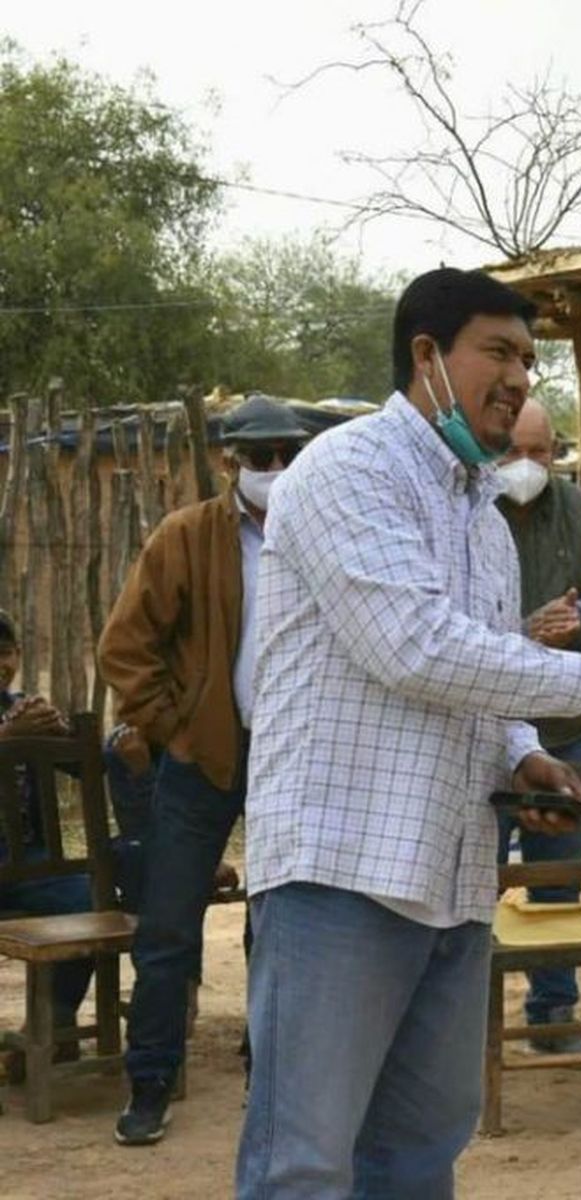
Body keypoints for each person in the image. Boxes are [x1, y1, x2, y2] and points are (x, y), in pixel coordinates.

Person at [234, 268, 581, 1198]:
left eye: (527, 360)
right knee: (303, 1164)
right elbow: (416, 649)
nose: (518, 380)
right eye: (496, 353)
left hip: (453, 876)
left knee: (419, 1161)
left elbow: (480, 678)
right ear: (427, 355)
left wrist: (527, 755)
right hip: (341, 871)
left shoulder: (483, 521)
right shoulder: (348, 471)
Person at [99, 395, 309, 1146]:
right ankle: (151, 1081)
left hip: (292, 757)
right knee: (167, 928)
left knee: (280, 926)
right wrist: (174, 730)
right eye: (261, 458)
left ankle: (268, 1075)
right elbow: (125, 647)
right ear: (230, 462)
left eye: (288, 455)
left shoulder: (320, 537)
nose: (276, 470)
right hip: (203, 758)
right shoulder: (186, 537)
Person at [495, 397, 581, 1053]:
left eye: (539, 452)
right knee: (469, 883)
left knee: (562, 878)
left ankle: (554, 1013)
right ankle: (463, 1021)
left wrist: (579, 621)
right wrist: (516, 631)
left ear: (556, 452)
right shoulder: (466, 510)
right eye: (512, 452)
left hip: (563, 726)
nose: (525, 465)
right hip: (482, 728)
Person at [0, 608, 93, 1066]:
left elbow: (85, 772)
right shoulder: (11, 720)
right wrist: (7, 737)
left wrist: (63, 737)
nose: (2, 663)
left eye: (7, 652)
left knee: (92, 901)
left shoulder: (22, 708)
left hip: (31, 865)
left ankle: (51, 1023)